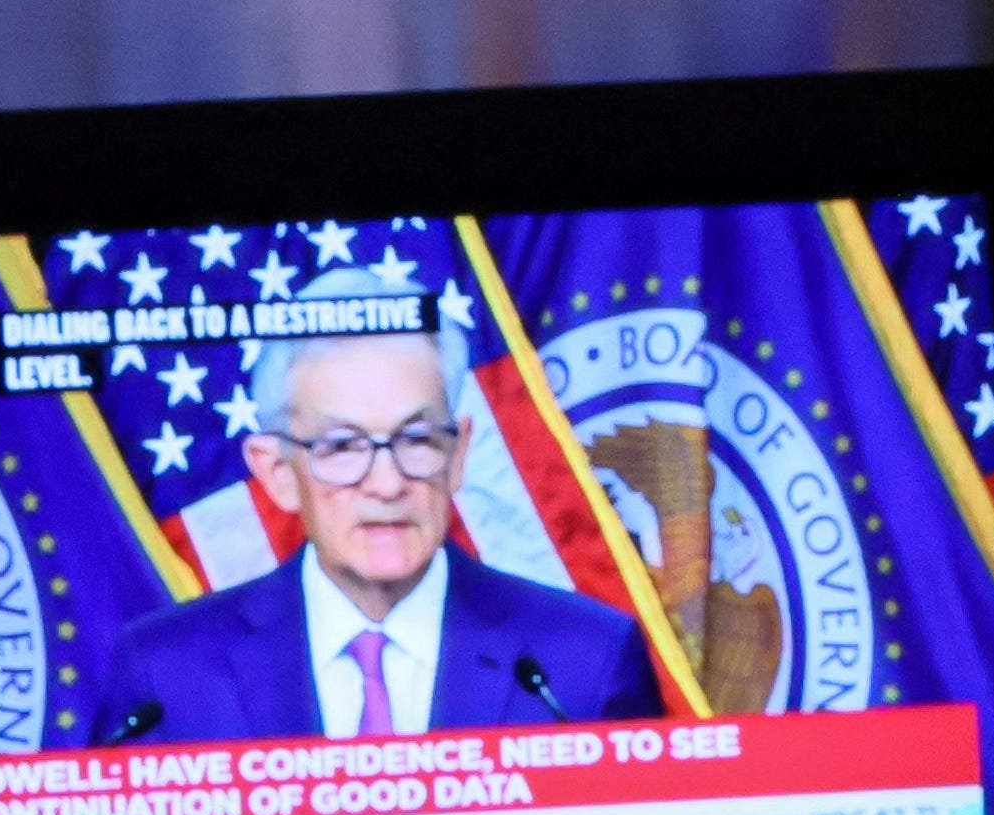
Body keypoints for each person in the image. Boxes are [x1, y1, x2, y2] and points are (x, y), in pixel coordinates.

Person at [101, 295, 665, 741]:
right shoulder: (166, 677)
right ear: (276, 471)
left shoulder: (583, 662)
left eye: (417, 439)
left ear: (459, 454)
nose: (389, 483)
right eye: (343, 448)